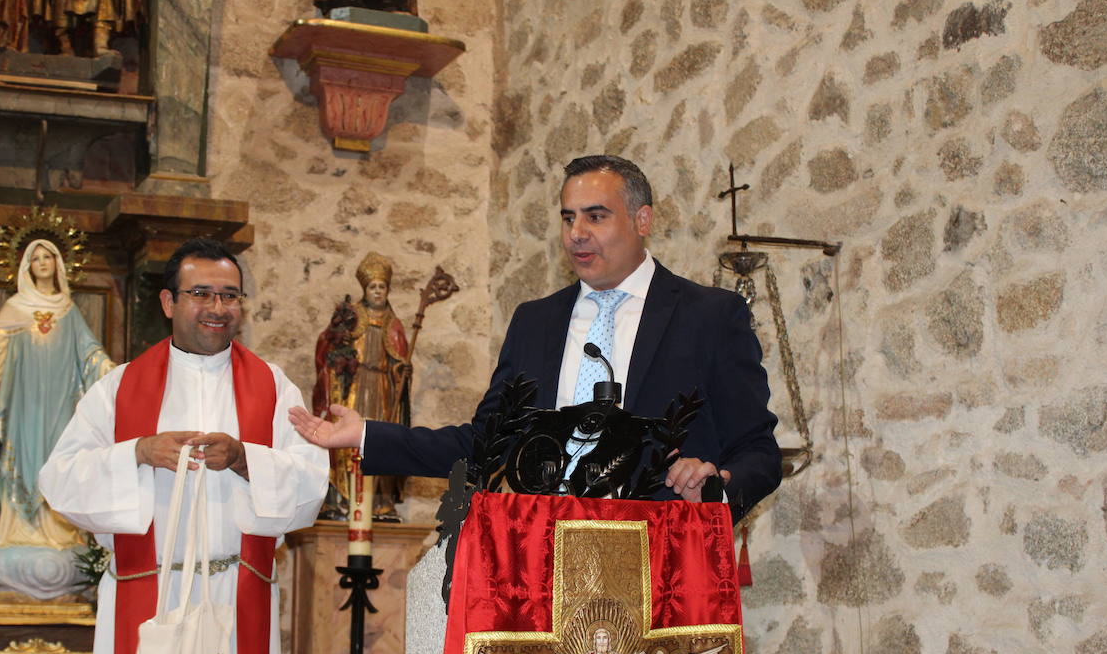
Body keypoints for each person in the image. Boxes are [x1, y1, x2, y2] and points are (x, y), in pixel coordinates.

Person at [38, 238, 327, 654]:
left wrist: (246, 456)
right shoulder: (118, 389)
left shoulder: (274, 388)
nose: (216, 308)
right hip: (148, 601)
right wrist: (137, 451)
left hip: (234, 601)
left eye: (228, 295)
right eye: (200, 293)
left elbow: (312, 484)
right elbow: (59, 479)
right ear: (169, 302)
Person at [289, 154, 781, 521]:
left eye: (596, 216)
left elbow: (758, 450)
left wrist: (718, 485)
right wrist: (367, 434)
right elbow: (487, 444)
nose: (577, 233)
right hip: (543, 558)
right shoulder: (536, 322)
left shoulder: (711, 316)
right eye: (568, 218)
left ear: (642, 220)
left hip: (666, 559)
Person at [0, 238, 114, 558]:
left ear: (57, 264)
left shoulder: (68, 310)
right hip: (26, 402)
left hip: (60, 401)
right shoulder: (16, 306)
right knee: (25, 457)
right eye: (35, 258)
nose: (41, 263)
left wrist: (111, 372)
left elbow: (90, 353)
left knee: (59, 457)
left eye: (47, 257)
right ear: (27, 266)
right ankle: (23, 527)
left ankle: (57, 527)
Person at [312, 252, 411, 519]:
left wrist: (401, 369)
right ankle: (341, 499)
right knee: (346, 438)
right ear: (364, 290)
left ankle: (380, 502)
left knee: (380, 440)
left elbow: (398, 358)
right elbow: (328, 346)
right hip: (352, 388)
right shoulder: (351, 317)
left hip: (381, 390)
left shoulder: (394, 323)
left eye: (382, 287)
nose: (378, 292)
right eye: (373, 287)